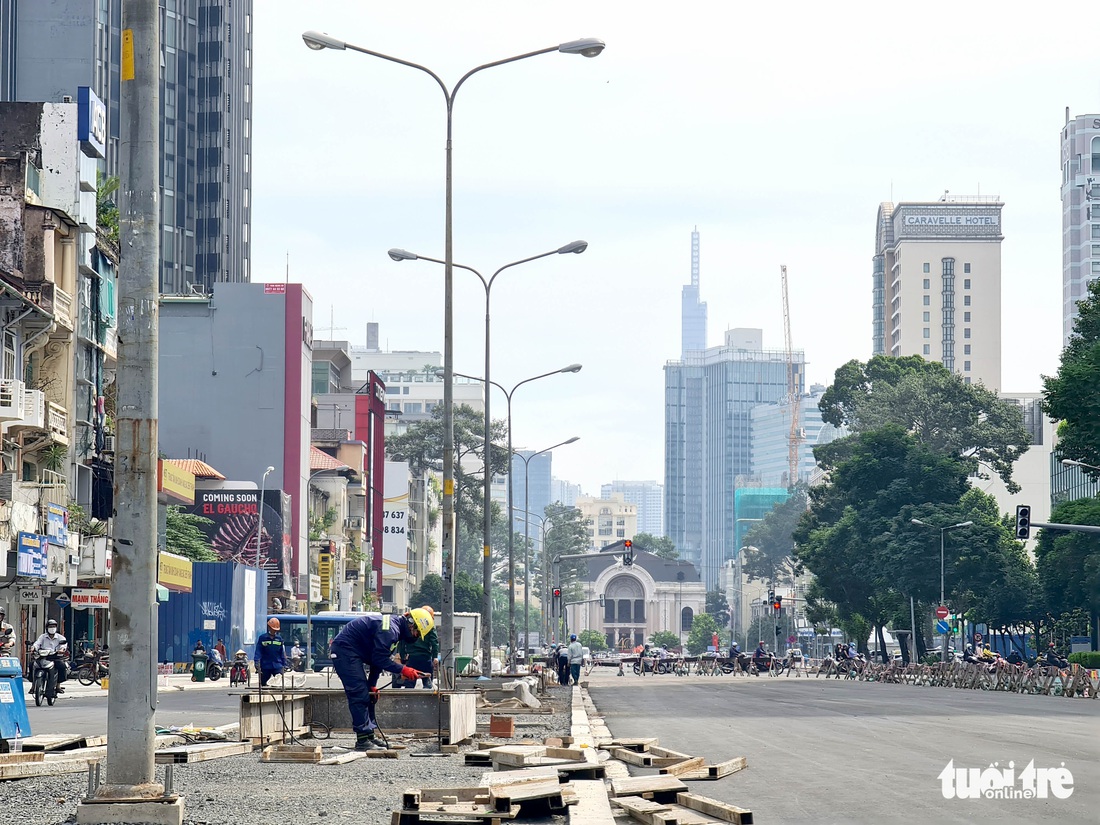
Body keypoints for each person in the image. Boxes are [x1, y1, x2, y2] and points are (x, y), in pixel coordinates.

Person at [329, 608, 434, 751]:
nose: (415, 636)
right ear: (411, 623)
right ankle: (362, 740)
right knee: (359, 693)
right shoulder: (390, 630)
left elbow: (377, 660)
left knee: (370, 696)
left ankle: (369, 735)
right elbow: (379, 659)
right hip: (345, 650)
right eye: (416, 632)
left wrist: (372, 685)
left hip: (356, 652)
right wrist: (403, 669)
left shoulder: (394, 631)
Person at [398, 605, 439, 689]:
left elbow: (402, 642)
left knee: (409, 685)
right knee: (427, 686)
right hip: (425, 659)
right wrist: (435, 656)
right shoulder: (430, 627)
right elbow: (434, 642)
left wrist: (402, 657)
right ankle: (427, 702)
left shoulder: (409, 626)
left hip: (412, 659)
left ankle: (407, 701)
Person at [32, 619, 68, 691]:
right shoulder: (42, 637)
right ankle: (33, 686)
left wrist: (61, 650)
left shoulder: (60, 637)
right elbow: (37, 643)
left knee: (62, 666)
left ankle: (58, 685)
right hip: (43, 656)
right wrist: (33, 648)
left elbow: (64, 645)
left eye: (54, 626)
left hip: (55, 657)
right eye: (50, 626)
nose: (52, 628)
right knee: (32, 665)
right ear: (47, 628)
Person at [254, 618, 286, 687]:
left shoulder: (279, 639)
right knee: (263, 685)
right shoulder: (262, 638)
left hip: (277, 665)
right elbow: (258, 652)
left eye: (275, 630)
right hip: (265, 665)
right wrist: (257, 663)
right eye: (273, 629)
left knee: (279, 683)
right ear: (269, 627)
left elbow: (282, 653)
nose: (274, 631)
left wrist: (284, 664)